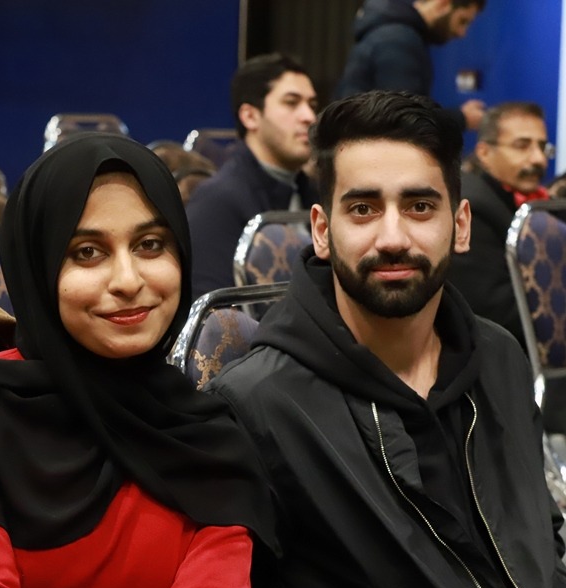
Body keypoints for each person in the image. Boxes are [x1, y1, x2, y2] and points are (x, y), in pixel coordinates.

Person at [207, 91, 566, 588]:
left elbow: (540, 542)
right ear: (322, 230)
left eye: (420, 207)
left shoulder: (499, 357)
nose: (393, 237)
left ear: (461, 225)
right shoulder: (259, 402)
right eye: (363, 209)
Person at [0, 133, 275, 588]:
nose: (128, 280)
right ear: (38, 268)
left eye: (151, 245)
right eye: (87, 252)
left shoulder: (210, 439)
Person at [186, 52, 319, 299]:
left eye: (311, 105)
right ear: (250, 116)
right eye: (292, 103)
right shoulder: (216, 201)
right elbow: (214, 312)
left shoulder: (316, 191)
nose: (309, 117)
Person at [449, 101, 551, 348]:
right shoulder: (473, 208)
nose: (538, 159)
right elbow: (498, 314)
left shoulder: (529, 201)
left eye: (542, 147)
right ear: (484, 153)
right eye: (522, 146)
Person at [336, 0, 487, 132]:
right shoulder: (400, 40)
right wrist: (461, 118)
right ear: (443, 4)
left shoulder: (392, 33)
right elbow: (402, 117)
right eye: (462, 21)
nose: (462, 33)